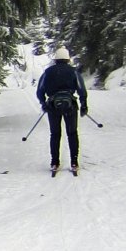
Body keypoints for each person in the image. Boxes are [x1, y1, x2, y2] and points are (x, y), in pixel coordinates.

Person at [35, 47, 89, 176]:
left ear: (56, 60)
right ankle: (74, 162)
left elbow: (40, 91)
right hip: (70, 106)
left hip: (53, 106)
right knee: (72, 133)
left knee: (55, 134)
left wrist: (43, 103)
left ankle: (54, 162)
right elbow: (81, 89)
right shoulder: (73, 71)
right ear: (67, 59)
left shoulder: (48, 72)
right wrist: (83, 105)